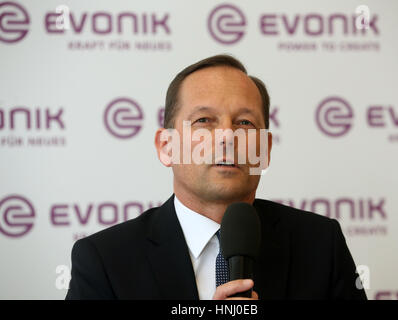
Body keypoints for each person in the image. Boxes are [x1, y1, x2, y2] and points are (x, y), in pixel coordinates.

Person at [65, 55, 367, 300]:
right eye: (204, 121)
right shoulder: (105, 260)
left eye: (245, 123)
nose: (227, 137)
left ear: (265, 149)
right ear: (166, 146)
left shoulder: (320, 245)